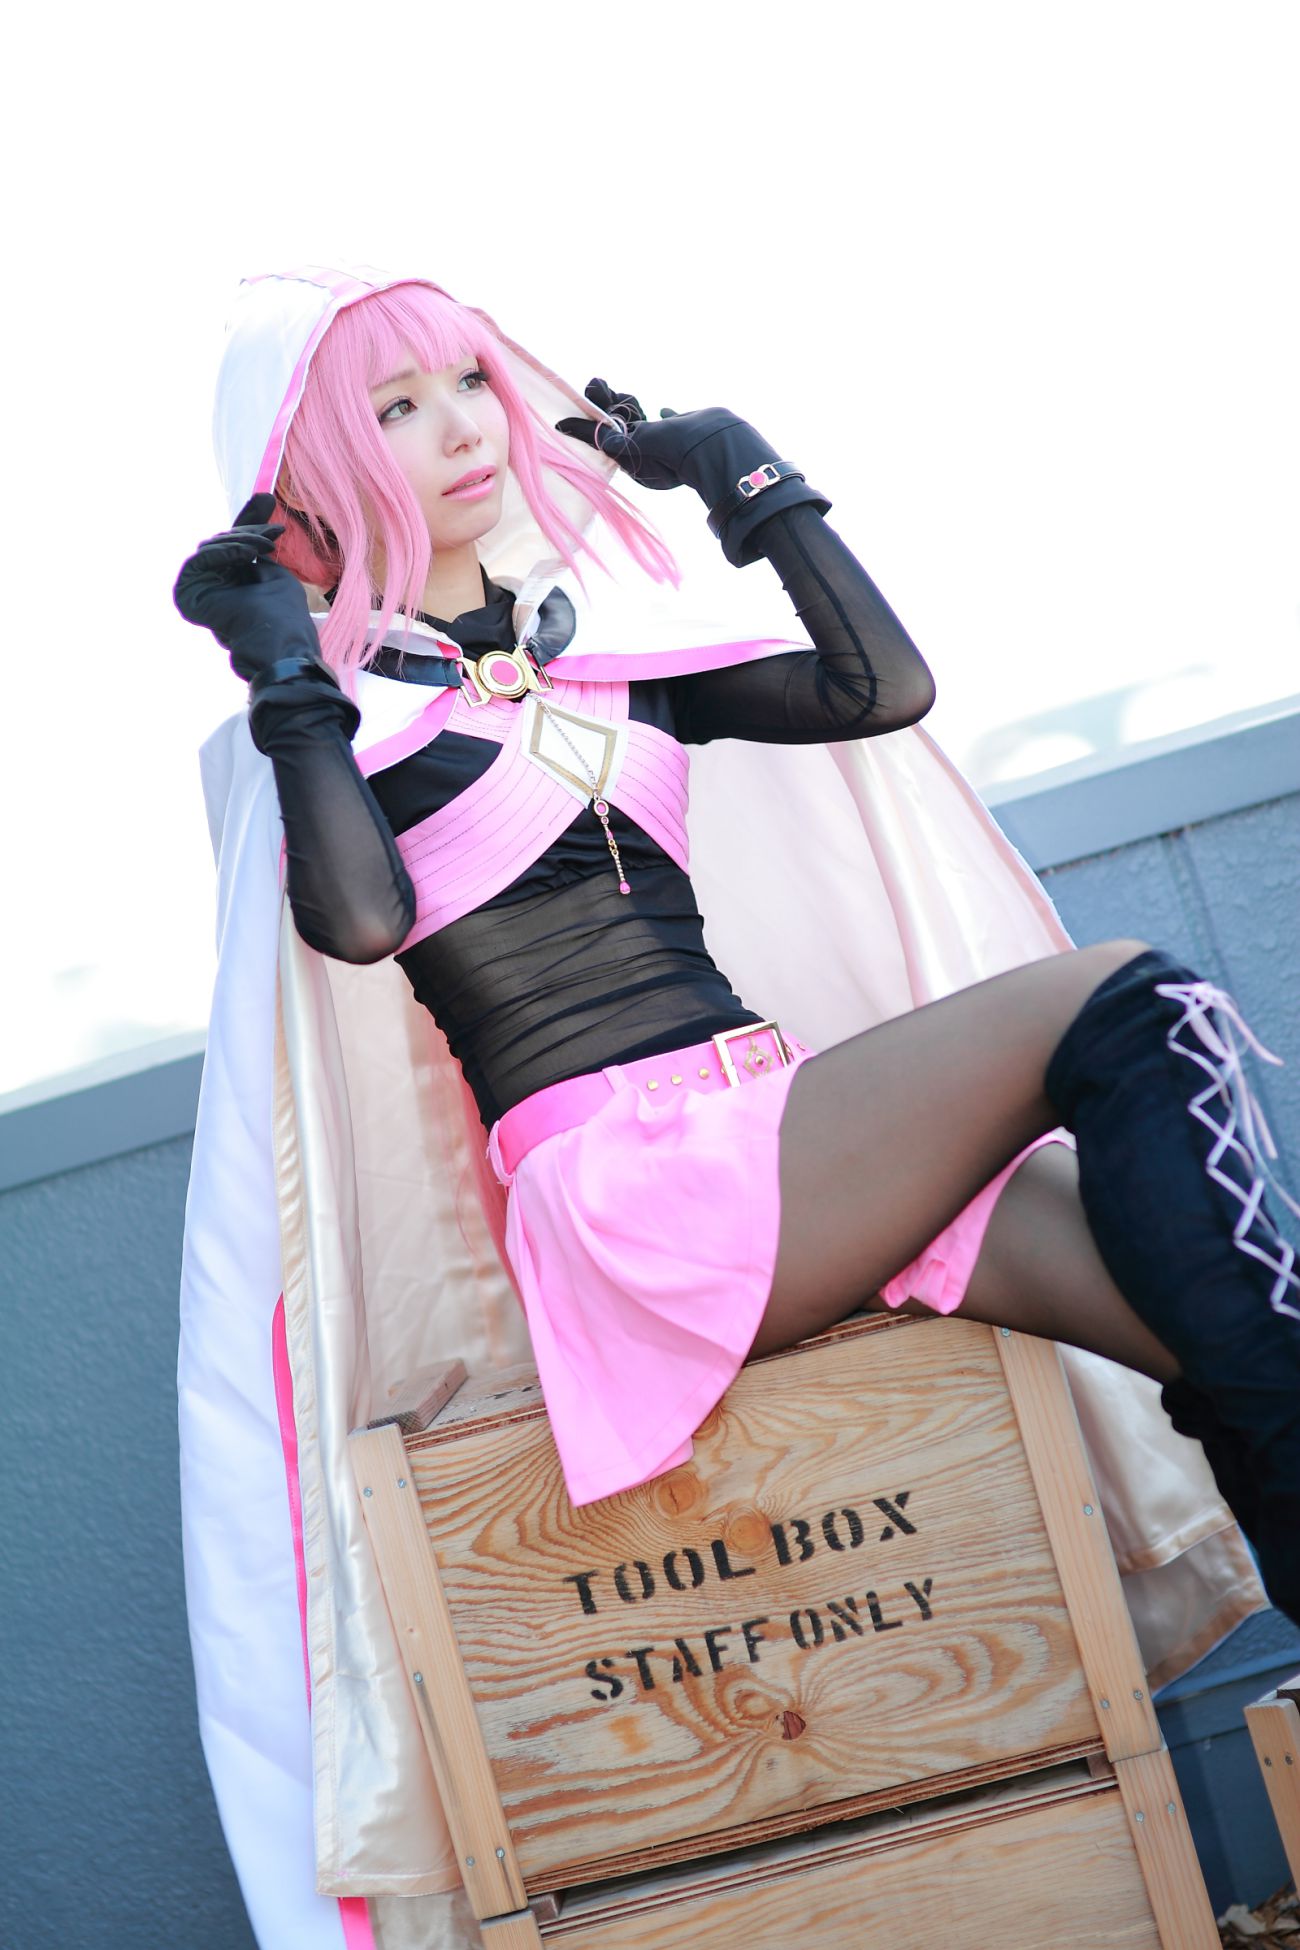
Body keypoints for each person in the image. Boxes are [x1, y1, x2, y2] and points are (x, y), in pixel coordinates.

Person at [173, 265, 1292, 1946]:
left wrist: (744, 475)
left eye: (467, 381)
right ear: (317, 465)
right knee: (1124, 998)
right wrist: (281, 663)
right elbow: (359, 919)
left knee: (1230, 1339)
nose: (461, 427)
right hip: (637, 1194)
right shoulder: (345, 719)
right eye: (394, 408)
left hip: (772, 1135)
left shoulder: (609, 664)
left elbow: (874, 690)